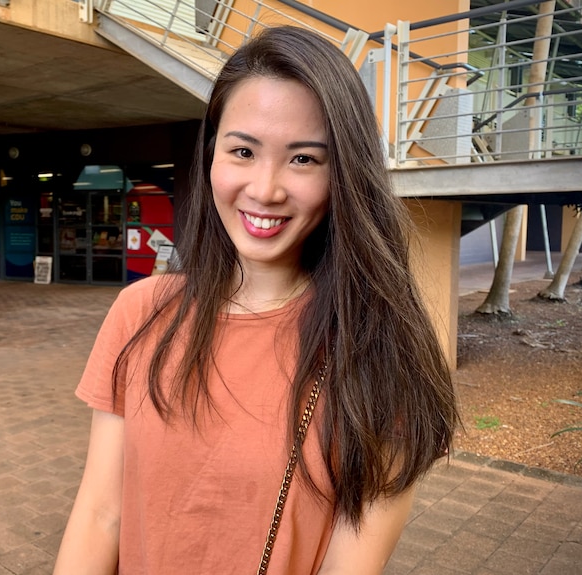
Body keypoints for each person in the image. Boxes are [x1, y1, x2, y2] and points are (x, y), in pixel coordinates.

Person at [53, 25, 458, 575]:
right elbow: (101, 514)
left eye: (304, 159)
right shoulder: (140, 311)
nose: (265, 189)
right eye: (243, 150)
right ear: (210, 156)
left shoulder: (376, 346)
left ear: (345, 175)